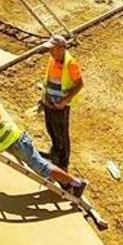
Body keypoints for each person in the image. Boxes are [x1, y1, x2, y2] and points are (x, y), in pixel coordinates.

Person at [39, 35, 83, 172]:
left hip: (60, 106)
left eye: (52, 49)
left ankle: (63, 164)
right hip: (49, 103)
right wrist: (43, 99)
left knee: (62, 135)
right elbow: (49, 80)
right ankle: (54, 154)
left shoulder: (70, 64)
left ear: (61, 49)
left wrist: (64, 101)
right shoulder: (53, 59)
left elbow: (79, 84)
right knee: (51, 129)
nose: (49, 52)